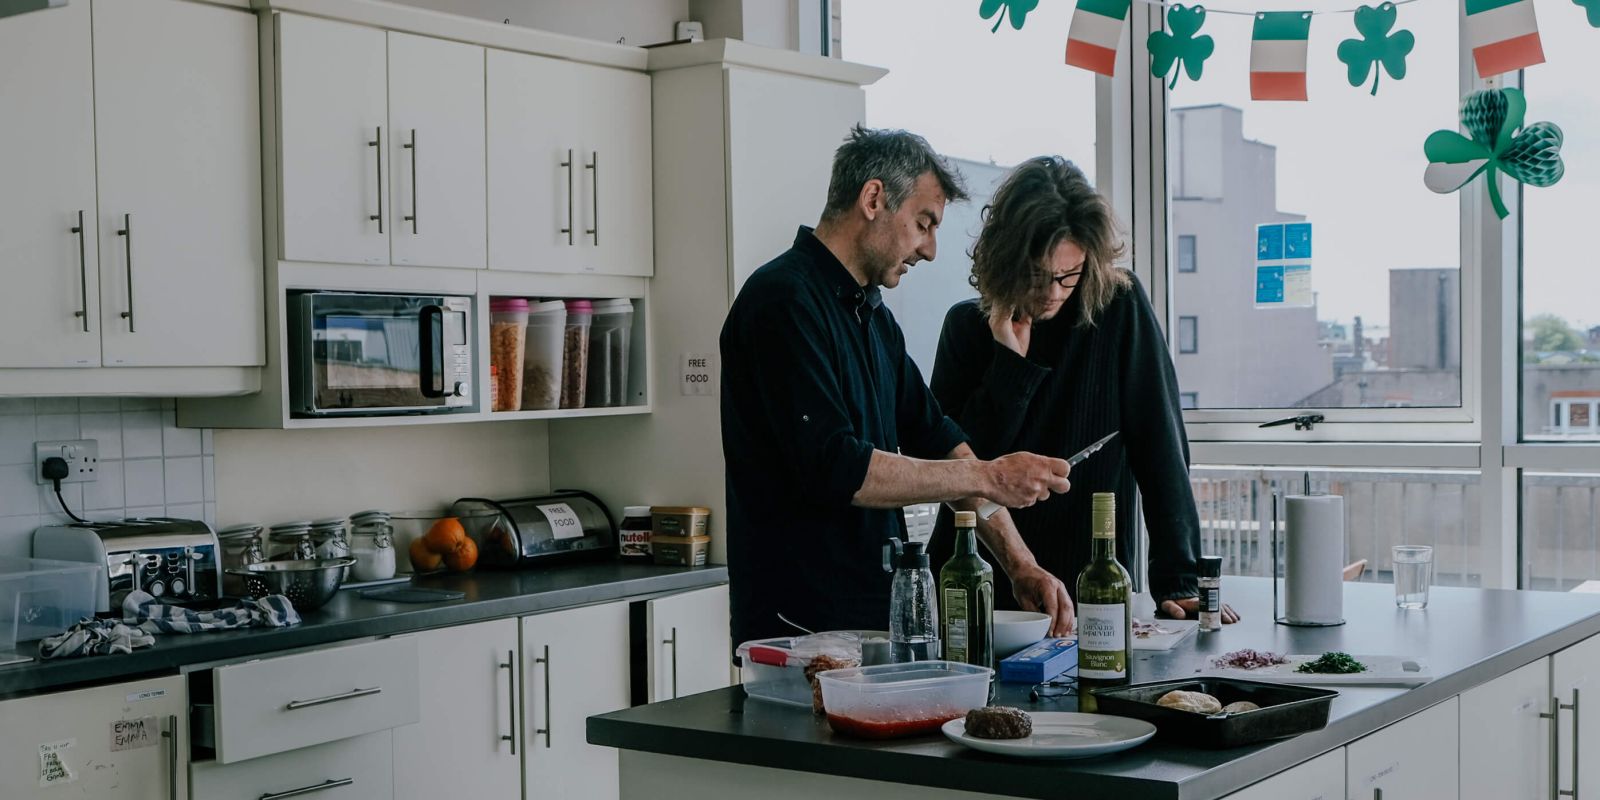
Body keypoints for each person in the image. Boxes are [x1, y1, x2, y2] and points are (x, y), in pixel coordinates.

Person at [721, 126, 1077, 649]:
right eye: (923, 223)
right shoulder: (782, 302)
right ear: (873, 199)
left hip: (866, 618)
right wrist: (990, 474)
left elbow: (937, 437)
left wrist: (1020, 565)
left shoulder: (874, 319)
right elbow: (838, 467)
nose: (930, 250)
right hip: (798, 628)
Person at [927, 156, 1239, 625]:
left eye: (1068, 276)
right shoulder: (965, 328)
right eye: (1037, 276)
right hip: (973, 583)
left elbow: (1161, 446)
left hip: (1092, 579)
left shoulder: (1119, 307)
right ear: (1007, 259)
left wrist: (1181, 578)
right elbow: (960, 471)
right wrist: (1011, 367)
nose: (1054, 292)